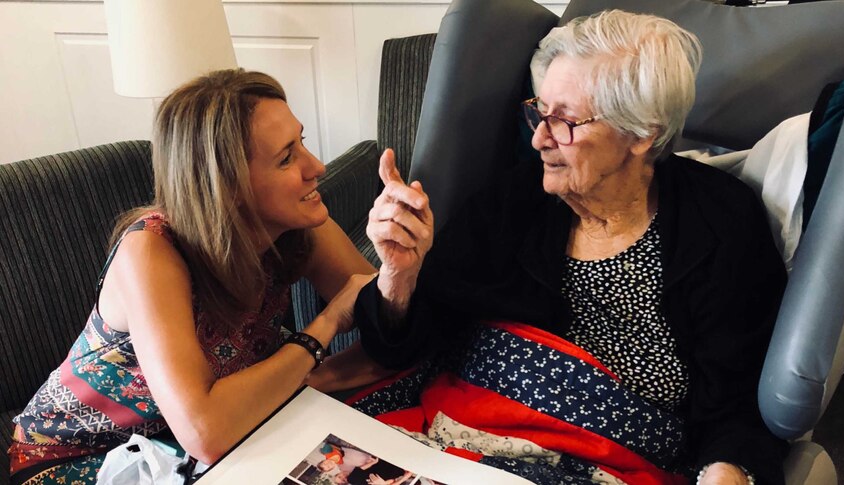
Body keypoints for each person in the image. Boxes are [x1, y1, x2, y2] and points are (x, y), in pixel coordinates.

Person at [352, 10, 787, 485]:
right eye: (539, 111)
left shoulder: (721, 224)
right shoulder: (512, 202)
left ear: (644, 134)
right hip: (456, 431)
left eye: (566, 121)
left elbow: (742, 404)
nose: (539, 138)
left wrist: (727, 471)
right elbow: (407, 347)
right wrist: (399, 275)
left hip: (609, 462)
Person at [7, 68, 382, 485]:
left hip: (200, 443)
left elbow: (390, 328)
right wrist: (324, 328)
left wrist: (404, 265)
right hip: (86, 457)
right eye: (286, 157)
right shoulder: (151, 251)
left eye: (302, 142)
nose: (317, 166)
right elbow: (207, 433)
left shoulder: (298, 222)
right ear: (228, 184)